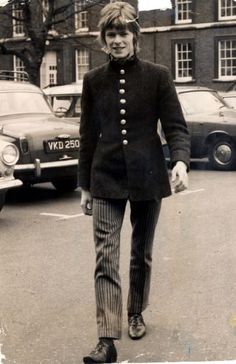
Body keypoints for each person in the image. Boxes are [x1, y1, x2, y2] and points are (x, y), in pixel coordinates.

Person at [79, 2, 190, 363]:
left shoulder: (158, 75)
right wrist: (84, 186)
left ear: (135, 36)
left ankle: (135, 311)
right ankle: (106, 339)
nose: (117, 40)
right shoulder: (93, 81)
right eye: (110, 34)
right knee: (104, 257)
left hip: (147, 177)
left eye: (123, 33)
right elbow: (87, 137)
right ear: (103, 39)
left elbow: (175, 125)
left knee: (141, 252)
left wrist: (181, 163)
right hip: (105, 178)